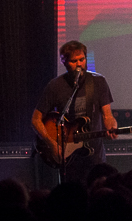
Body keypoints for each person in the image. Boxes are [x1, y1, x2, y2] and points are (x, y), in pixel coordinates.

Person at [31, 41, 117, 183]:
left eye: (82, 59)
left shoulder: (99, 82)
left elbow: (108, 115)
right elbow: (35, 120)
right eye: (74, 61)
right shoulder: (55, 86)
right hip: (69, 159)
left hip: (94, 157)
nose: (79, 64)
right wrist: (52, 143)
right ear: (64, 62)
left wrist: (111, 126)